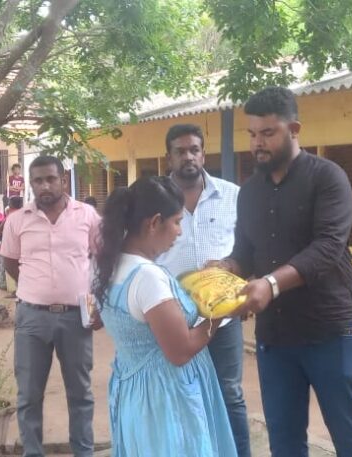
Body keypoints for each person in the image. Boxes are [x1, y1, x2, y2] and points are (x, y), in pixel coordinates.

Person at [208, 87, 352, 456]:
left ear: (294, 128)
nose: (257, 143)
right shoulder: (249, 192)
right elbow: (246, 252)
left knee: (350, 438)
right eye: (252, 134)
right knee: (284, 442)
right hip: (276, 339)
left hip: (330, 332)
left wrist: (270, 283)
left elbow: (328, 248)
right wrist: (228, 268)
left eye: (268, 133)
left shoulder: (328, 178)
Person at [94, 176, 237, 457]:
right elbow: (181, 351)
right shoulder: (148, 277)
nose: (180, 232)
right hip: (167, 396)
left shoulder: (111, 265)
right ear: (154, 222)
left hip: (136, 390)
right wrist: (221, 311)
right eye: (176, 221)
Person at [154, 124, 250, 456]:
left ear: (203, 153)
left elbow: (247, 249)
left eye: (194, 149)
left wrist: (234, 273)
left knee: (229, 392)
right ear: (169, 157)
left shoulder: (232, 195)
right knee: (180, 392)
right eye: (180, 151)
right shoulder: (156, 199)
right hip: (172, 318)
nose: (188, 156)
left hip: (222, 318)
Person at [0, 156, 102, 457]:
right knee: (29, 395)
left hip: (76, 317)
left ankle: (83, 452)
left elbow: (102, 259)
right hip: (32, 318)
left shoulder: (88, 215)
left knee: (80, 393)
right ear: (30, 184)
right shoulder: (17, 220)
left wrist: (96, 301)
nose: (44, 186)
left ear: (64, 178)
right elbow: (10, 261)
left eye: (50, 179)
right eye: (37, 180)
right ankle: (33, 452)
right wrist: (37, 287)